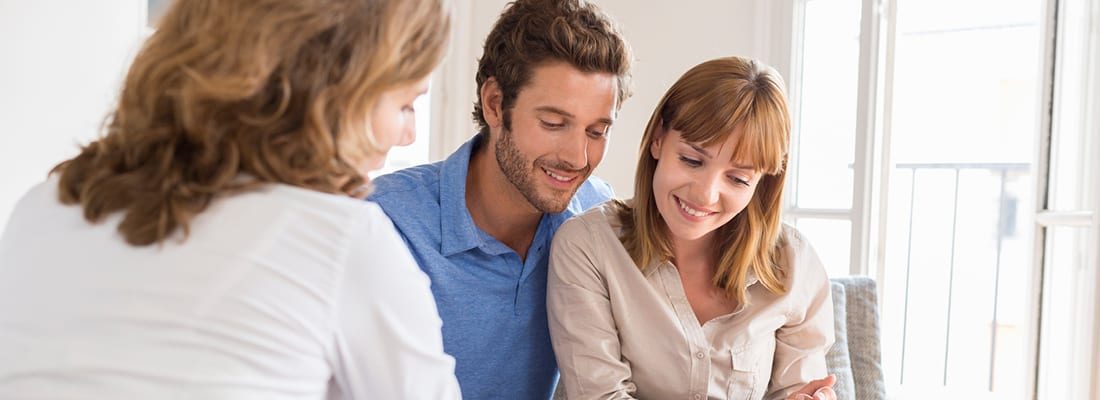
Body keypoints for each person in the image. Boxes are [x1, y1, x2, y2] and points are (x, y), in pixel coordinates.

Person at [0, 0, 460, 399]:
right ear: (330, 94)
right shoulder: (340, 239)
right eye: (404, 105)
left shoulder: (44, 206)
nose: (408, 135)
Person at [366, 0, 632, 398]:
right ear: (494, 104)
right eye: (554, 123)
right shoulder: (386, 223)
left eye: (597, 132)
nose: (578, 158)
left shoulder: (598, 220)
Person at [546, 56, 838, 400]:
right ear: (658, 139)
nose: (705, 194)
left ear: (762, 182)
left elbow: (797, 390)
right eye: (692, 160)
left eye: (738, 178)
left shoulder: (794, 265)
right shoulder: (589, 246)